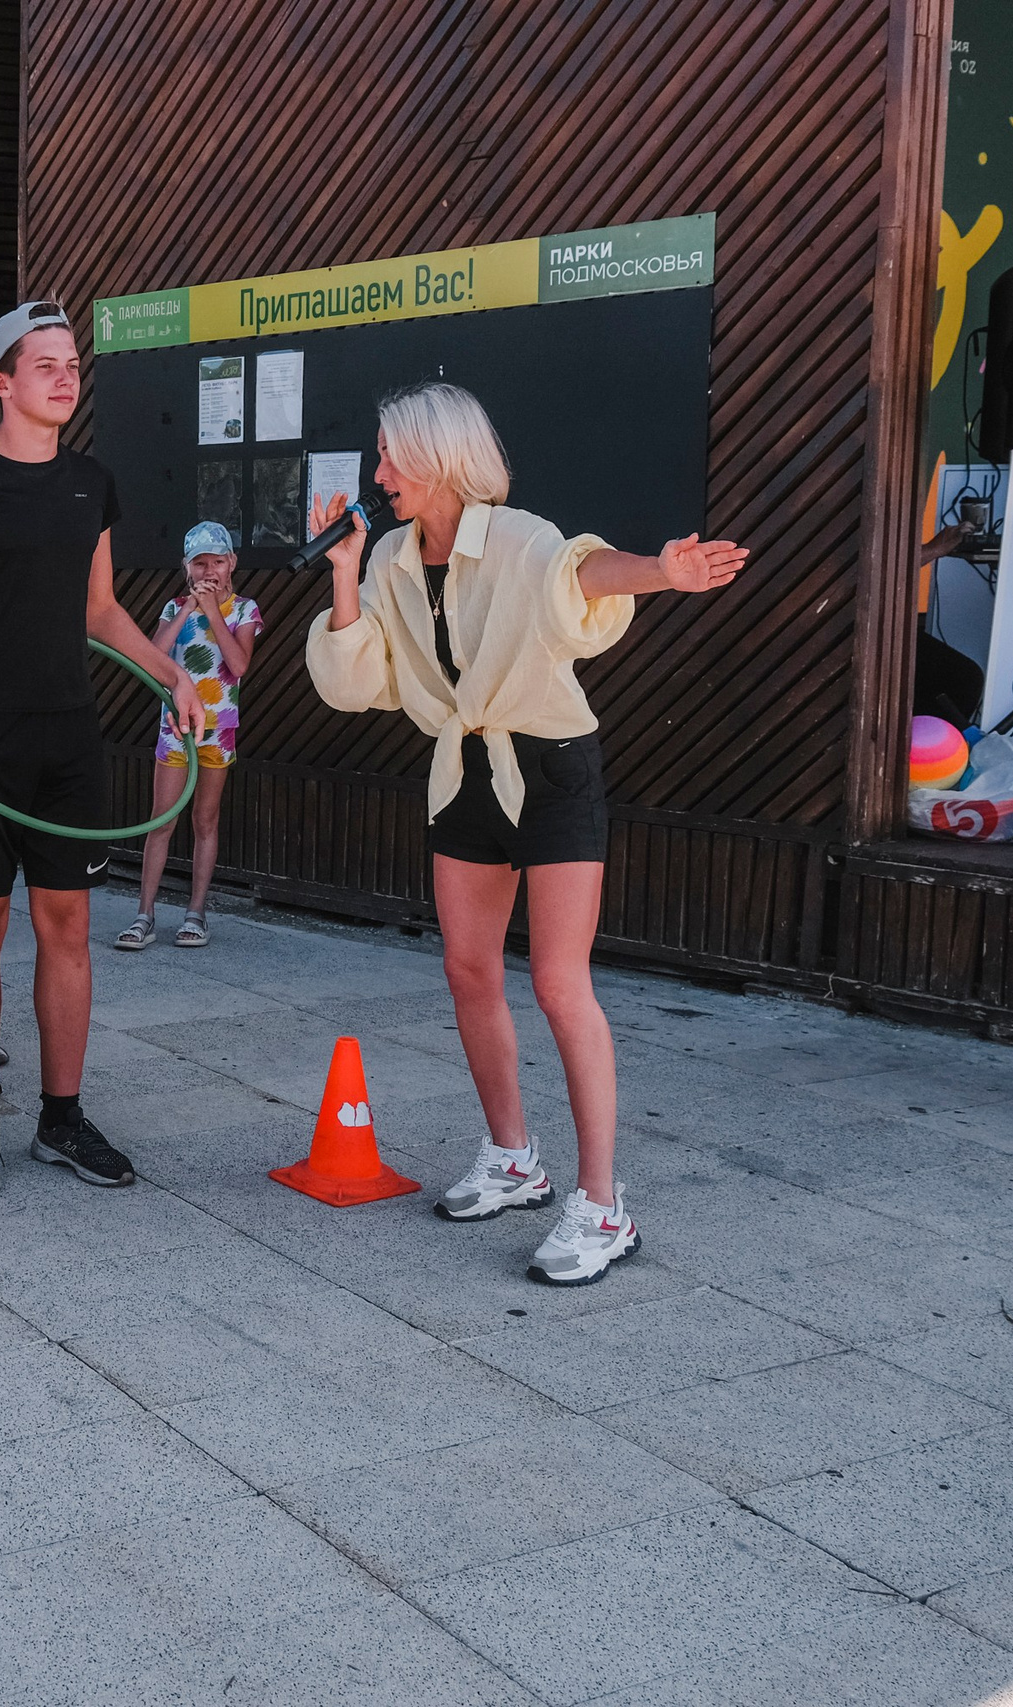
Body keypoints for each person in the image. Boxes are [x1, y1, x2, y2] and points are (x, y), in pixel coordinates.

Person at [306, 381, 747, 1285]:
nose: (379, 471)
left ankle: (602, 1203)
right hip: (461, 768)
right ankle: (513, 1158)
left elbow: (578, 575)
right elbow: (357, 684)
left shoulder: (516, 537)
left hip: (549, 767)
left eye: (392, 455)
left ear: (436, 457)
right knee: (468, 969)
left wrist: (662, 570)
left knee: (557, 981)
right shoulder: (388, 555)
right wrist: (344, 573)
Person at [0, 302, 209, 1197]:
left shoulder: (91, 482)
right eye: (46, 365)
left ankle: (62, 1118)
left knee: (67, 927)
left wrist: (168, 675)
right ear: (2, 382)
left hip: (69, 737)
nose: (67, 377)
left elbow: (99, 609)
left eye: (73, 364)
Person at [120, 522, 263, 951]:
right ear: (186, 567)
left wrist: (214, 610)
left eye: (218, 561)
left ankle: (196, 913)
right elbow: (151, 657)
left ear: (232, 563)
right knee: (162, 818)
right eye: (200, 562)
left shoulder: (244, 610)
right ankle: (144, 914)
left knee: (205, 820)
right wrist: (186, 610)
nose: (210, 570)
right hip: (175, 728)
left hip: (218, 730)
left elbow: (238, 665)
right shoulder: (173, 607)